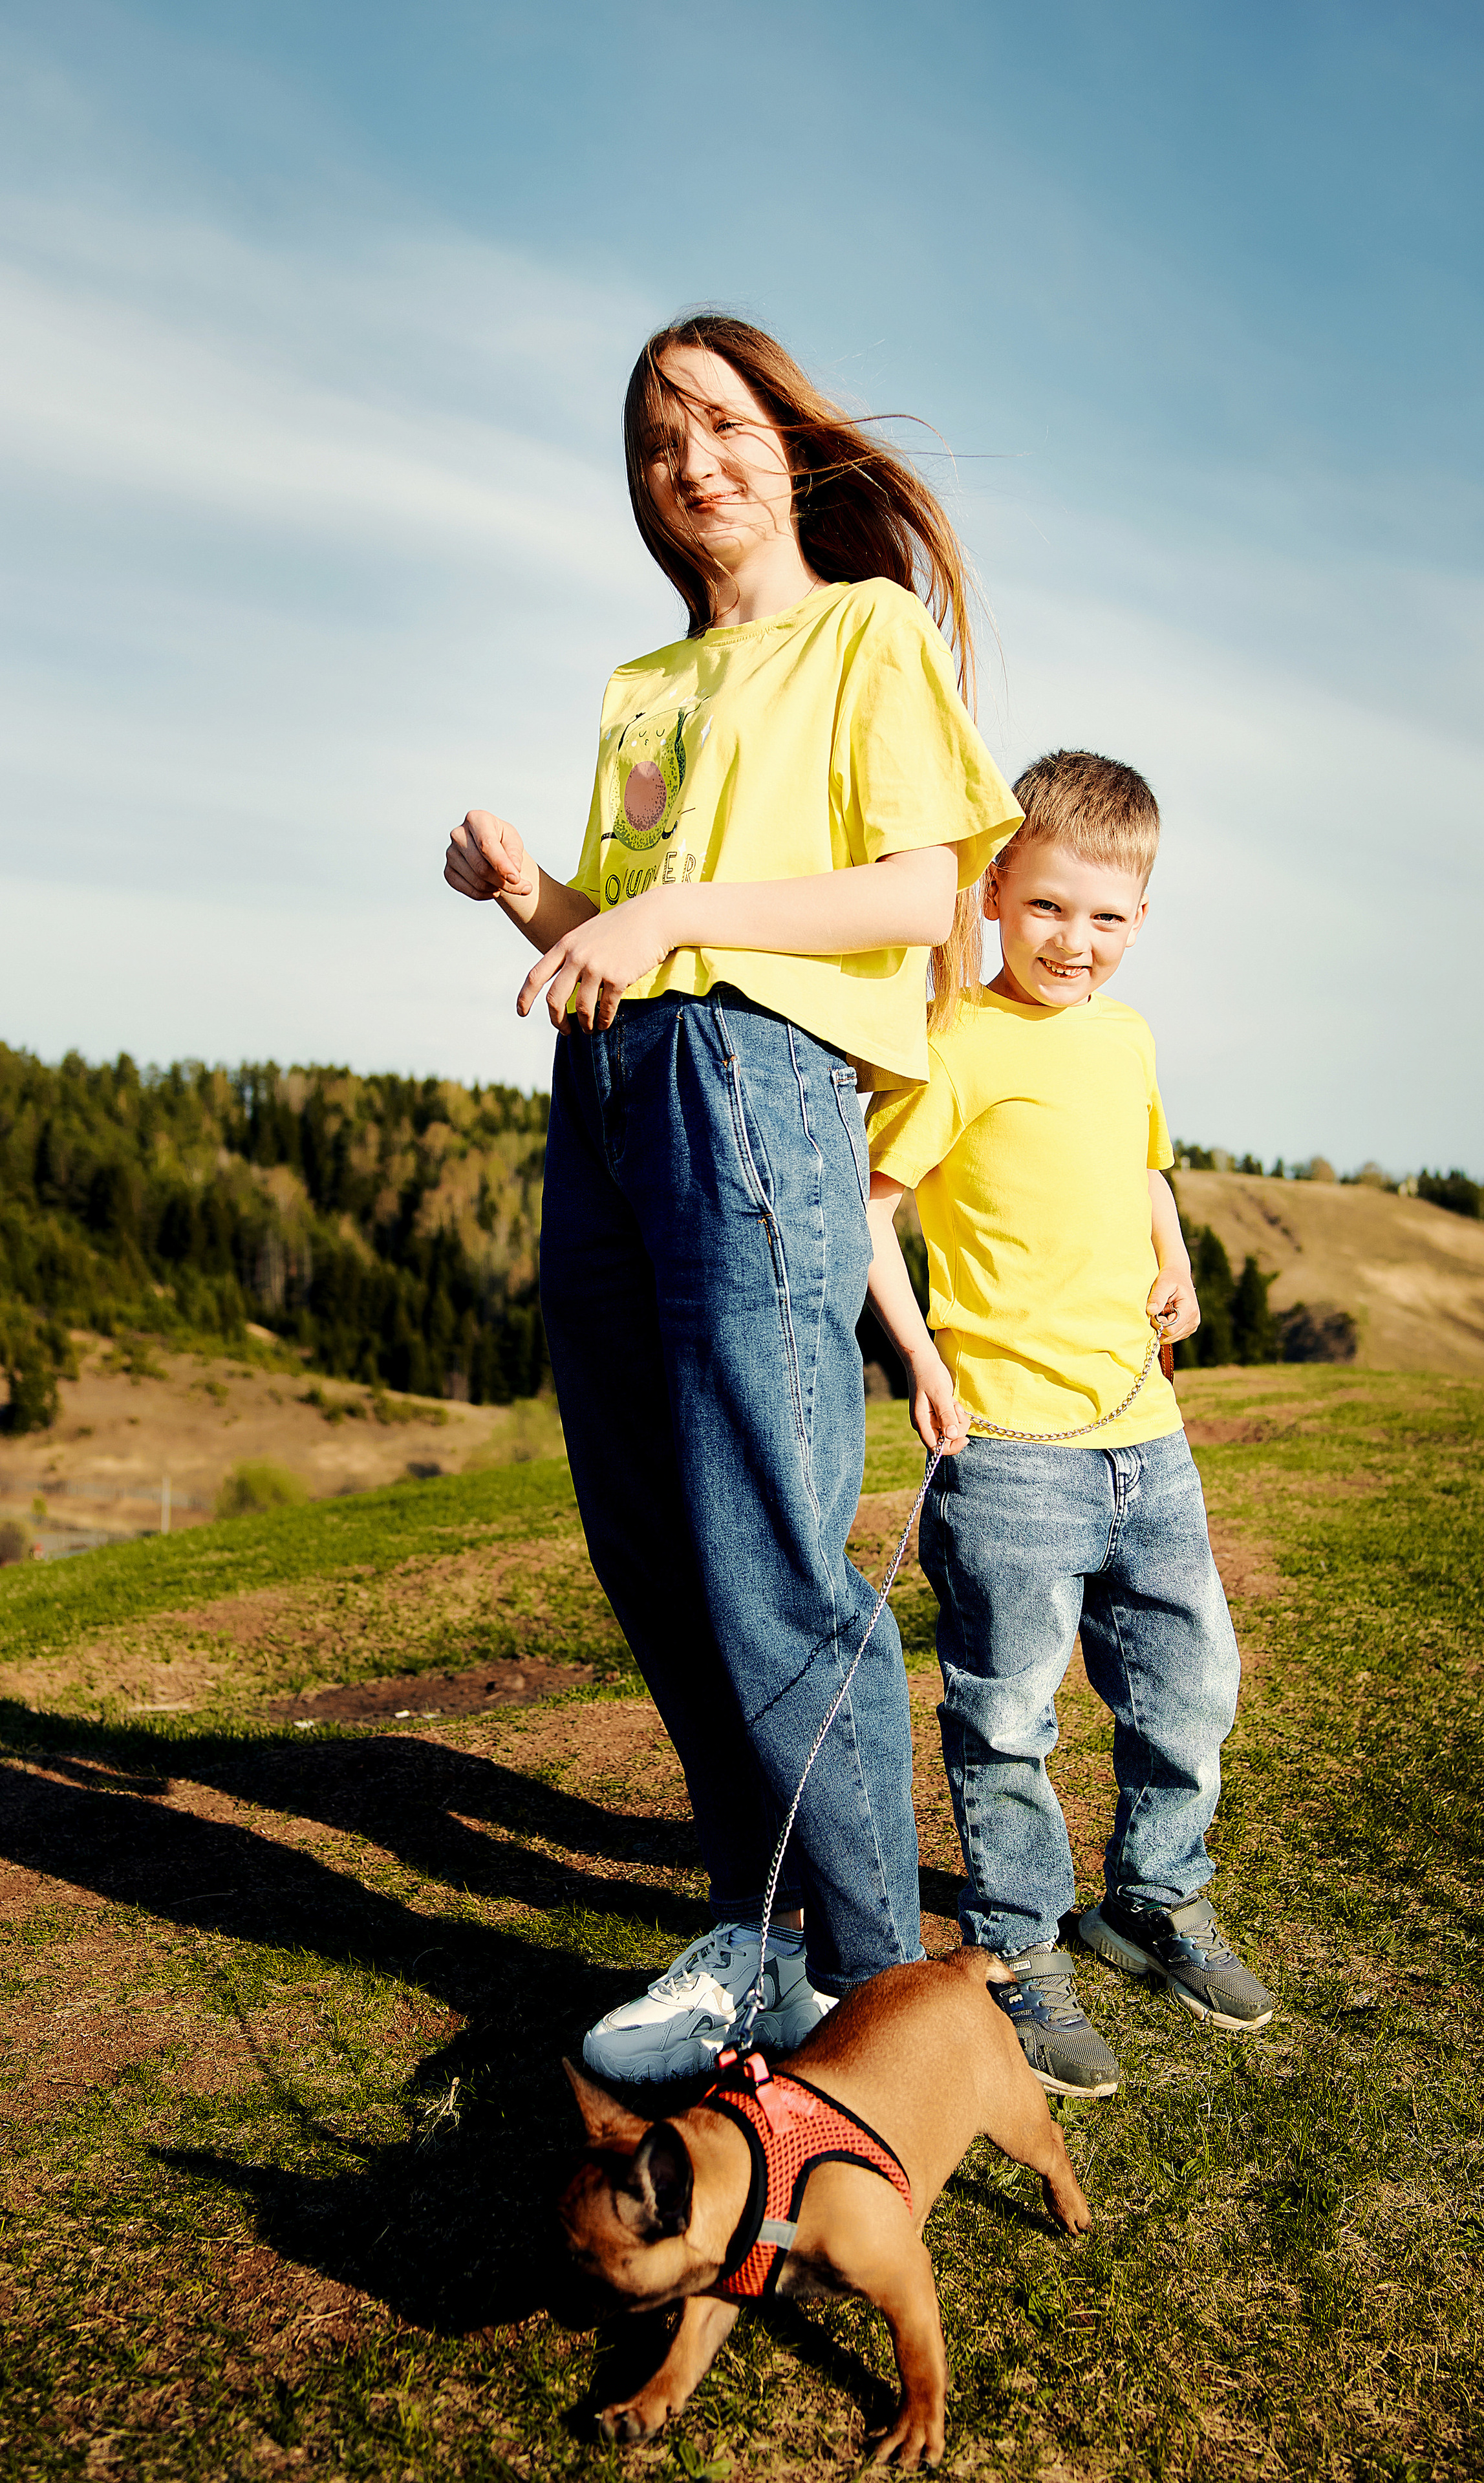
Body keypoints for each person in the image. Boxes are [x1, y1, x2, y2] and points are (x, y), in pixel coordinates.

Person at [444, 314, 1021, 2081]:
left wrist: (676, 919)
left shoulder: (869, 634)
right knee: (654, 1543)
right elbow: (620, 923)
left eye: (717, 420)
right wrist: (535, 892)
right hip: (615, 1089)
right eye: (655, 440)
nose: (690, 460)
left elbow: (922, 895)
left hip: (758, 1084)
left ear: (789, 439)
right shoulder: (647, 694)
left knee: (764, 1550)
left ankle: (871, 2002)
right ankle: (760, 1932)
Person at [863, 749, 1276, 2098]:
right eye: (1046, 909)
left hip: (1145, 1437)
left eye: (1104, 918)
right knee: (1008, 1716)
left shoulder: (1126, 1035)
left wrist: (1175, 1257)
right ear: (992, 893)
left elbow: (1141, 1159)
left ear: (1140, 920)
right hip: (1011, 1458)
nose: (1073, 942)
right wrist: (916, 1356)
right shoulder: (952, 1043)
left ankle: (1151, 1900)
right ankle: (1022, 1949)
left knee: (1186, 1687)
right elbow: (872, 1212)